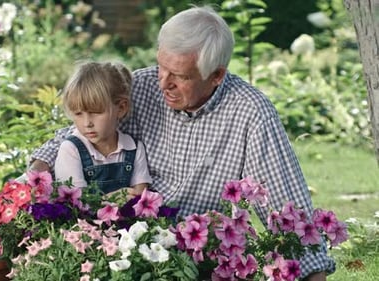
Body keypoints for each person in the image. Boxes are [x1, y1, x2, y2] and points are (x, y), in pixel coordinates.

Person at [28, 5, 334, 280]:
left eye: (180, 76)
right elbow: (76, 133)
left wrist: (310, 271)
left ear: (216, 75)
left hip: (191, 258)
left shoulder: (249, 113)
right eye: (162, 66)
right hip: (123, 244)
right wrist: (37, 171)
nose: (163, 82)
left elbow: (287, 209)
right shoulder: (143, 86)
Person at [54, 61, 151, 196]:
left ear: (121, 108)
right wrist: (117, 198)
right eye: (78, 114)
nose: (87, 123)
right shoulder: (71, 149)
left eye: (96, 112)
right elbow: (75, 205)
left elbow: (140, 196)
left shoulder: (133, 148)